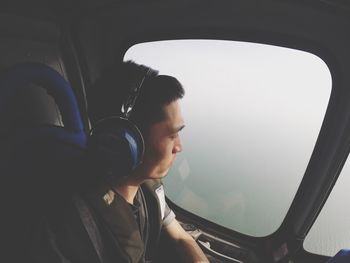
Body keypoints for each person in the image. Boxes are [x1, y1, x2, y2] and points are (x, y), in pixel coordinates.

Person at [84, 60, 208, 263]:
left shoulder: (147, 188)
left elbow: (179, 237)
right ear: (127, 138)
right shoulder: (82, 225)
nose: (179, 147)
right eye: (172, 135)